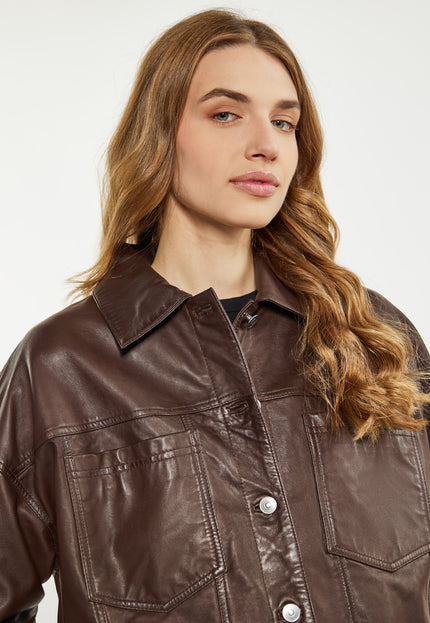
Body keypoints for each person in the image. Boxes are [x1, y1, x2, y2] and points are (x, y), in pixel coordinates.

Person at [1, 8, 429, 623]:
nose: (266, 145)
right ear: (159, 134)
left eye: (284, 122)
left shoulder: (375, 337)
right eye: (226, 114)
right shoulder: (60, 369)